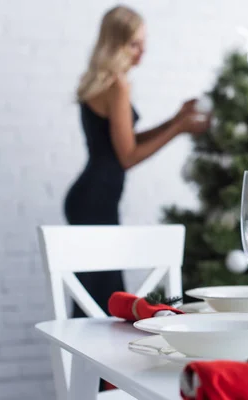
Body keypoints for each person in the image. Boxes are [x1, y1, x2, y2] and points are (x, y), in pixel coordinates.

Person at [64, 5, 209, 318]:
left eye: (143, 44)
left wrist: (176, 118)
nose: (142, 53)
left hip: (91, 196)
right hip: (96, 200)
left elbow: (127, 140)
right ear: (114, 43)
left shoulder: (105, 81)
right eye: (134, 44)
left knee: (96, 297)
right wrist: (179, 128)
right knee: (104, 300)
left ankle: (92, 366)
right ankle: (102, 365)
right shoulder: (117, 85)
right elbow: (127, 157)